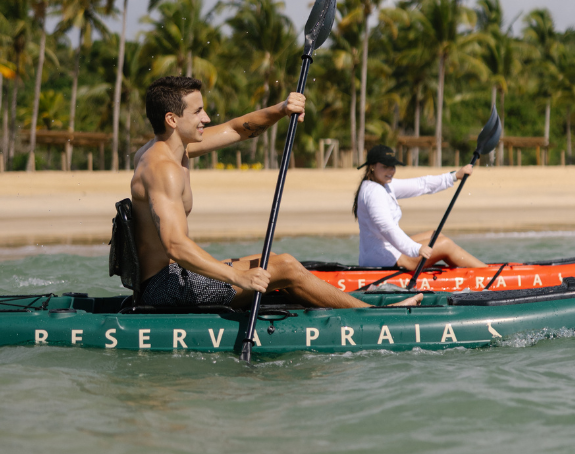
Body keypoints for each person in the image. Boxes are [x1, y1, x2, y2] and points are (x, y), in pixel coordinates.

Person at [132, 77, 418, 309]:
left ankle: (332, 305)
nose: (206, 118)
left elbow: (236, 129)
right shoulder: (163, 168)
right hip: (165, 289)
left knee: (280, 261)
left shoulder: (172, 147)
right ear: (172, 119)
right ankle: (372, 316)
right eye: (197, 111)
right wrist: (238, 277)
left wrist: (282, 109)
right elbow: (176, 245)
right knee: (288, 270)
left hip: (176, 277)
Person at [354, 144, 488, 272]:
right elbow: (386, 227)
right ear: (372, 166)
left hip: (385, 252)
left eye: (392, 166)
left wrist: (453, 176)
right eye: (385, 167)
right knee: (445, 244)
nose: (391, 171)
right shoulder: (374, 192)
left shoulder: (383, 185)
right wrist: (415, 249)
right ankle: (490, 275)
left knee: (435, 235)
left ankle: (474, 272)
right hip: (384, 259)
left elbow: (420, 185)